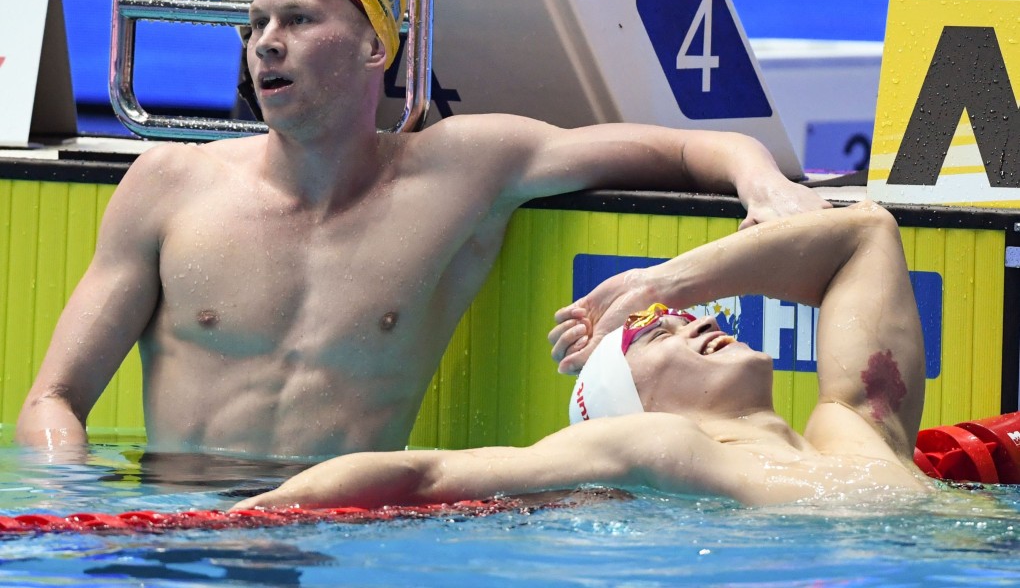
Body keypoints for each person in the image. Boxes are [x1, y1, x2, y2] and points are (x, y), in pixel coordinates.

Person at [16, 0, 829, 461]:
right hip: (177, 533)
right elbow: (53, 399)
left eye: (298, 20)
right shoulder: (168, 184)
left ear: (377, 46)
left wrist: (765, 187)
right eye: (257, 23)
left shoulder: (464, 169)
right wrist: (70, 503)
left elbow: (687, 146)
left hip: (346, 542)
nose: (266, 41)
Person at [232, 201, 931, 510]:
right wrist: (245, 520)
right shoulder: (658, 445)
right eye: (661, 332)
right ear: (630, 404)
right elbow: (428, 474)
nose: (692, 324)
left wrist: (657, 285)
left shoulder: (855, 433)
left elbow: (866, 234)